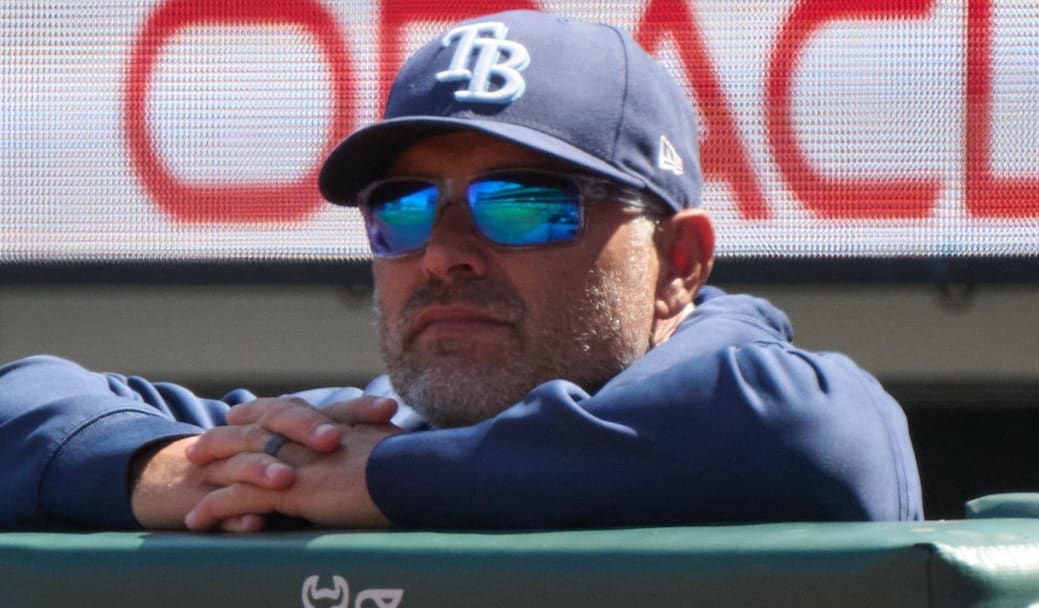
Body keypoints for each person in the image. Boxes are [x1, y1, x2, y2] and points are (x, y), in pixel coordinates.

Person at [0, 9, 922, 531]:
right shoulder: (330, 439)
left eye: (522, 202)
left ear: (677, 263)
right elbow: (21, 405)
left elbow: (818, 438)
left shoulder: (752, 411)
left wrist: (394, 478)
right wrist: (170, 469)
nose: (442, 254)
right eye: (402, 210)